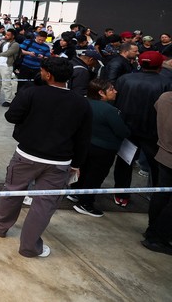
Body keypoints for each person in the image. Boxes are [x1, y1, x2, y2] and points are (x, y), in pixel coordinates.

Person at [0, 57, 92, 258]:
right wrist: (77, 164)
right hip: (60, 161)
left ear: (47, 74)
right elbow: (83, 137)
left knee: (13, 191)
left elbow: (11, 116)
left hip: (27, 154)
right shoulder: (81, 102)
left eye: (42, 71)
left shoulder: (32, 93)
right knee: (44, 204)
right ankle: (30, 246)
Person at [112, 51, 172, 207]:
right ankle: (156, 196)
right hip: (153, 133)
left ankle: (120, 195)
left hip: (126, 129)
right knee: (156, 167)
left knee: (124, 162)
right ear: (160, 66)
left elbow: (115, 101)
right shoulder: (166, 83)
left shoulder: (124, 79)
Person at [68, 78, 131, 217]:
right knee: (95, 176)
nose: (115, 91)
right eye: (111, 89)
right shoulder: (110, 110)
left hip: (85, 145)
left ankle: (76, 193)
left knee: (83, 171)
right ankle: (86, 203)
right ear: (101, 93)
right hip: (103, 150)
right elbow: (122, 131)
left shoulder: (84, 103)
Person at [143, 91, 172, 255]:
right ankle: (158, 237)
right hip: (168, 153)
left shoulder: (165, 97)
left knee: (160, 195)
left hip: (163, 152)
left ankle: (153, 230)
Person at [0, 28, 20, 107]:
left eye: (8, 35)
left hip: (7, 65)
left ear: (13, 36)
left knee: (6, 83)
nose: (6, 36)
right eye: (6, 34)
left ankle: (9, 100)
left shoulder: (15, 44)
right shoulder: (3, 43)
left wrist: (0, 54)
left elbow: (8, 53)